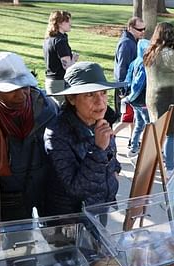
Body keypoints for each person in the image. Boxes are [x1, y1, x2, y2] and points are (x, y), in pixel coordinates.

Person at [0, 52, 59, 221]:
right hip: (8, 198)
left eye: (25, 86)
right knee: (18, 244)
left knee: (58, 241)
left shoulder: (48, 108)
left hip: (47, 190)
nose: (21, 94)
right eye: (11, 89)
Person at [43, 62, 123, 216]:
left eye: (103, 92)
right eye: (90, 94)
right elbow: (75, 189)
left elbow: (111, 157)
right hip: (70, 220)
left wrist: (115, 172)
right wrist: (98, 149)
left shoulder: (102, 121)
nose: (100, 101)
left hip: (99, 208)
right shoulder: (56, 134)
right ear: (71, 99)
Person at [143, 22, 174, 172]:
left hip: (152, 96)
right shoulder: (167, 53)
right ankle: (169, 167)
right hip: (168, 96)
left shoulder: (150, 51)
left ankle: (151, 162)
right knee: (171, 132)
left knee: (157, 132)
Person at [112, 17, 146, 141]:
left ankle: (132, 140)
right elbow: (121, 67)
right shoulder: (126, 43)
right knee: (127, 118)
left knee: (132, 117)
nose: (142, 32)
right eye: (139, 29)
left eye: (144, 29)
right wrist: (123, 90)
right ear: (130, 28)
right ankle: (112, 135)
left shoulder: (133, 41)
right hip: (125, 87)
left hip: (130, 86)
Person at [43, 10, 78, 104]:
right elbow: (67, 67)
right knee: (62, 113)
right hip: (59, 83)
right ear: (59, 23)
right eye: (67, 21)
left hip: (50, 81)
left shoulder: (49, 39)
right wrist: (73, 59)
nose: (70, 23)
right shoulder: (60, 41)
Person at [124, 39, 151, 158]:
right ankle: (149, 149)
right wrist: (132, 96)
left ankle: (134, 147)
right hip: (141, 100)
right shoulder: (144, 65)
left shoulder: (134, 62)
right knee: (150, 125)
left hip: (135, 101)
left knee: (139, 124)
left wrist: (129, 96)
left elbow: (128, 79)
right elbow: (138, 85)